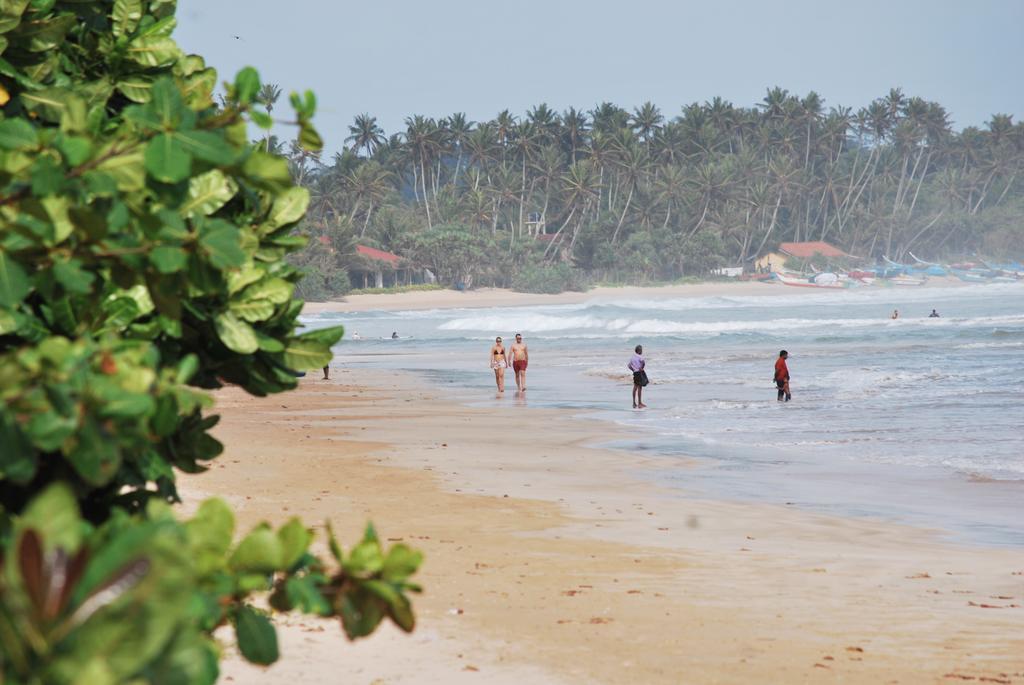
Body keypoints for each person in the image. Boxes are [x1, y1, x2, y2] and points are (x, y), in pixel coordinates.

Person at [628, 345, 647, 409]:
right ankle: (639, 403)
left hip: (635, 373)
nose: (642, 351)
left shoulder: (632, 357)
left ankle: (634, 403)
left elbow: (629, 366)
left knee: (635, 387)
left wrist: (633, 370)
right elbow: (643, 362)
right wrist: (641, 368)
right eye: (641, 350)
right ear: (639, 351)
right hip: (639, 372)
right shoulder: (640, 357)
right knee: (640, 388)